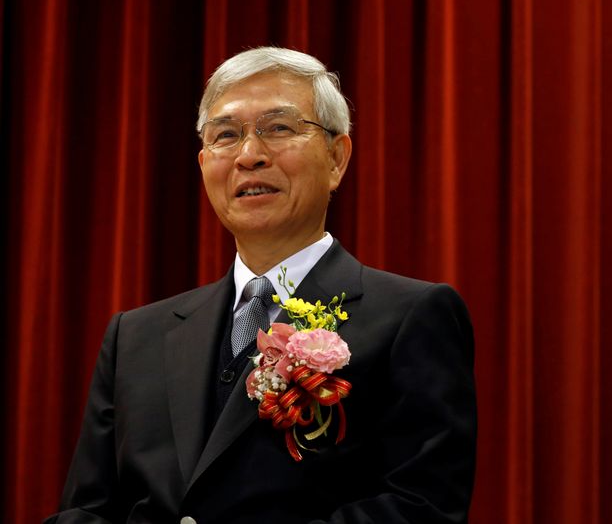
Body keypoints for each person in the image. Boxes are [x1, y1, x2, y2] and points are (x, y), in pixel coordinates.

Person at [47, 46, 477, 523]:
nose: (249, 155)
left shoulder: (410, 316)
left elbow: (420, 507)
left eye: (279, 128)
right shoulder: (135, 336)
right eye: (225, 135)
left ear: (336, 158)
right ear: (203, 163)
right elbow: (86, 510)